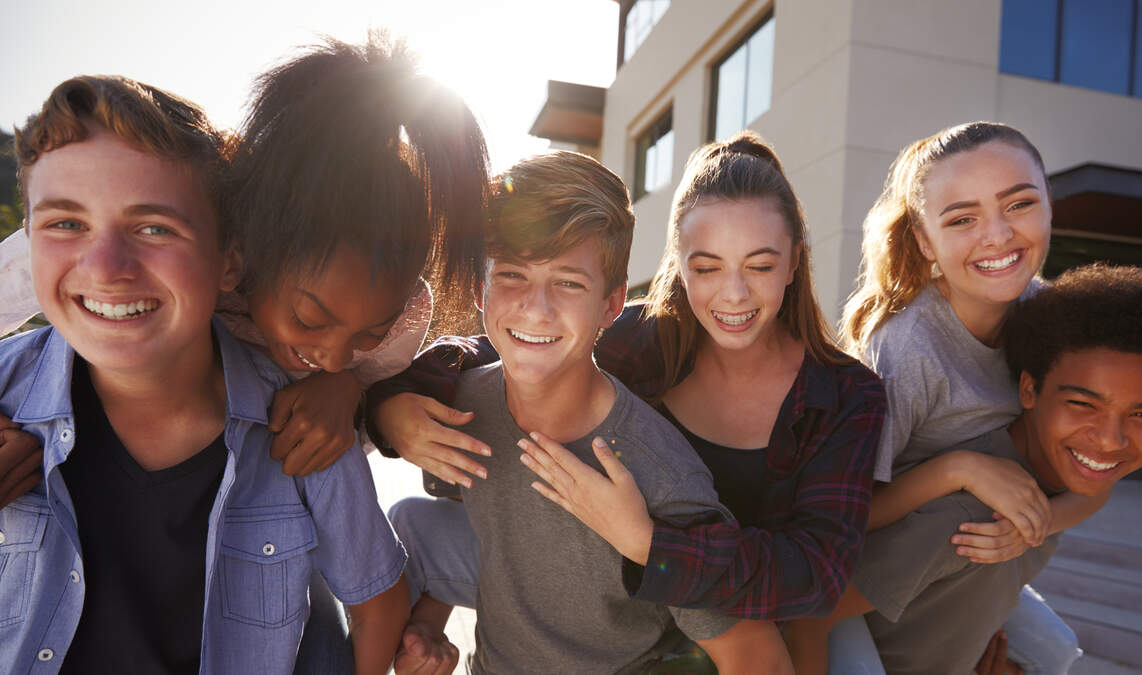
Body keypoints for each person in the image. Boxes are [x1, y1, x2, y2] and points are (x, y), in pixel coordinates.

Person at [367, 133, 887, 668]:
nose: (733, 294)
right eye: (707, 267)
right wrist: (391, 406)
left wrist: (646, 543)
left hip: (758, 609)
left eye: (759, 265)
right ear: (679, 264)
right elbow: (502, 351)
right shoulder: (640, 336)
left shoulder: (844, 396)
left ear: (796, 261)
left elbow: (816, 576)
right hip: (619, 580)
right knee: (413, 521)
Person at [0, 75, 409, 674]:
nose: (106, 268)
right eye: (66, 224)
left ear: (229, 261)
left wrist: (353, 386)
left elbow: (376, 600)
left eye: (155, 228)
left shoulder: (300, 423)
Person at [0, 33, 490, 503]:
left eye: (368, 335)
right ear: (240, 252)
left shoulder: (403, 321)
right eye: (309, 320)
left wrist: (348, 390)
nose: (339, 356)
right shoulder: (175, 232)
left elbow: (353, 402)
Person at [792, 121, 1093, 674]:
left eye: (1019, 204)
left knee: (1049, 655)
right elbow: (843, 521)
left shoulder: (1060, 323)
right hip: (864, 589)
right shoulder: (906, 350)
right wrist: (960, 468)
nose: (997, 235)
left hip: (974, 566)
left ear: (1049, 204)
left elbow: (1096, 479)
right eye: (962, 219)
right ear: (925, 240)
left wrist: (1032, 525)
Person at [831, 263, 1142, 674]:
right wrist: (955, 471)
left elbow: (1095, 494)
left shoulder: (1059, 483)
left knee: (1052, 653)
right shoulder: (969, 520)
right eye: (1083, 404)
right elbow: (811, 616)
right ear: (1028, 389)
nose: (1112, 440)